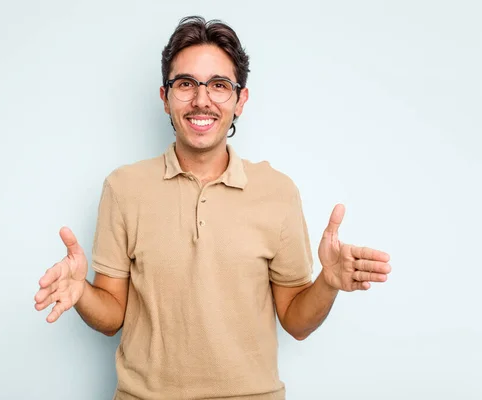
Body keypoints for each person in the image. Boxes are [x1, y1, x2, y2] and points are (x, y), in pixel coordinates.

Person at [33, 16, 391, 400]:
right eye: (186, 84)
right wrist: (81, 293)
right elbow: (111, 317)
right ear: (165, 96)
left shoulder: (277, 191)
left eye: (219, 86)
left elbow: (296, 322)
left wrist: (327, 283)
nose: (201, 99)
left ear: (240, 100)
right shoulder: (123, 188)